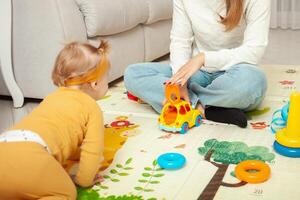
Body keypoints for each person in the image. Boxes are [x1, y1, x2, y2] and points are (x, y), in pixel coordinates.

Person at [124, 0, 271, 128]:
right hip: (196, 73)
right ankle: (204, 109)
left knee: (254, 82)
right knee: (133, 74)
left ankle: (183, 104)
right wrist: (180, 81)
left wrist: (204, 58)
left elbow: (254, 50)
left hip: (235, 70)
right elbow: (180, 40)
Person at [0, 41, 110, 200]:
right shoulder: (91, 108)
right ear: (95, 83)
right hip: (32, 156)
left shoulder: (51, 98)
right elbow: (92, 151)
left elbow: (60, 137)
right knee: (65, 193)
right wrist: (84, 181)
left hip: (4, 143)